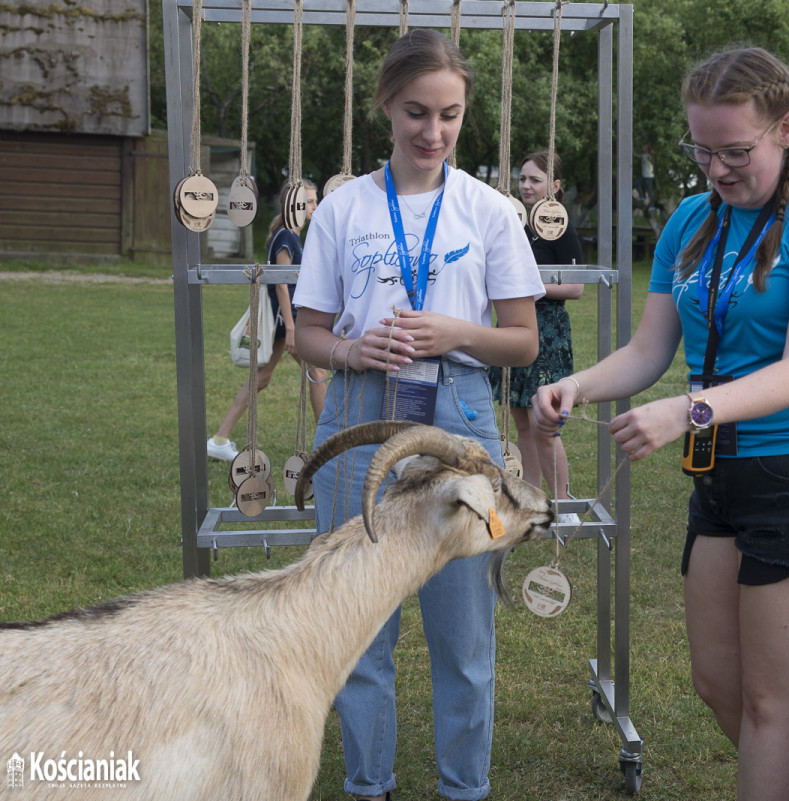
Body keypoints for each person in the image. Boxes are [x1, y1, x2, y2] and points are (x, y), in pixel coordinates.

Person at [532, 46, 789, 800]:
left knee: (768, 700)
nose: (716, 169)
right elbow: (649, 348)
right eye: (702, 149)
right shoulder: (694, 218)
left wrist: (687, 410)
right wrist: (577, 385)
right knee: (717, 682)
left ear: (786, 129)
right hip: (722, 473)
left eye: (735, 150)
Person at [291, 29, 544, 801]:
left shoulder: (490, 211)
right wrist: (352, 351)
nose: (432, 132)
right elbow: (305, 331)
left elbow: (525, 341)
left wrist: (458, 333)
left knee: (463, 634)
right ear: (385, 108)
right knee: (358, 627)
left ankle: (462, 787)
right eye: (415, 113)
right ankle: (371, 784)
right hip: (361, 415)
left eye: (449, 115)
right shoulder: (344, 209)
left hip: (461, 419)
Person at [207, 178, 327, 462]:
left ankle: (219, 439)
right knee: (317, 374)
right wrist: (293, 327)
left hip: (285, 322)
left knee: (261, 378)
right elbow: (281, 285)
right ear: (293, 205)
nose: (315, 206)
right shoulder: (286, 235)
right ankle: (328, 444)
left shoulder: (289, 235)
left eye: (314, 200)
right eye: (309, 201)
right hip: (286, 323)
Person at [490, 150, 584, 498]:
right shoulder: (515, 224)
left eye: (535, 179)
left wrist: (529, 287)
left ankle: (562, 502)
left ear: (555, 187)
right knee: (520, 420)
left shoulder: (560, 228)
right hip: (513, 327)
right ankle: (532, 497)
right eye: (522, 178)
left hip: (547, 332)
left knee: (542, 423)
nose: (525, 186)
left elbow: (575, 287)